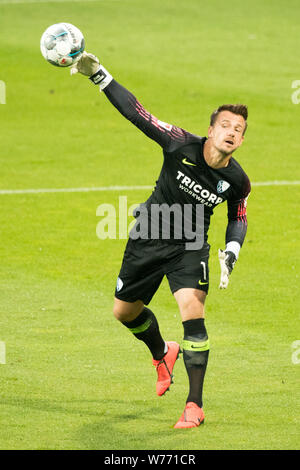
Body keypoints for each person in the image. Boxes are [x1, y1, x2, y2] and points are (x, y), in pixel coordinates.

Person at [71, 52, 251, 428]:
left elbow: (238, 217)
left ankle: (194, 405)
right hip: (149, 236)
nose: (233, 132)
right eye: (226, 125)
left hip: (189, 246)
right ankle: (161, 352)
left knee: (193, 315)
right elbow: (138, 112)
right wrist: (99, 76)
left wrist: (231, 252)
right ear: (212, 129)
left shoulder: (237, 181)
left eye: (239, 129)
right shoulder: (179, 144)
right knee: (124, 313)